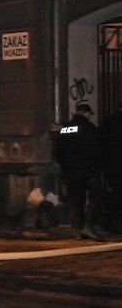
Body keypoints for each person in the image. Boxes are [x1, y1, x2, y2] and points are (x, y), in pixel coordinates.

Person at [56, 103, 106, 240]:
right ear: (86, 113)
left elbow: (58, 151)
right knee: (97, 197)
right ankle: (88, 225)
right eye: (89, 113)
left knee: (76, 199)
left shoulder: (65, 128)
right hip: (88, 170)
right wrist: (99, 165)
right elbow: (97, 151)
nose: (90, 116)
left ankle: (79, 228)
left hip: (70, 170)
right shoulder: (90, 129)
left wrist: (64, 166)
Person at [99, 100, 122, 233]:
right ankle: (112, 220)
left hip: (110, 166)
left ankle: (109, 220)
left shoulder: (107, 122)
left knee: (114, 193)